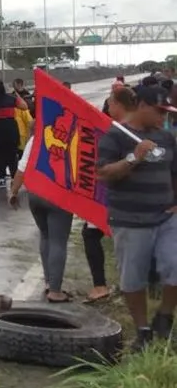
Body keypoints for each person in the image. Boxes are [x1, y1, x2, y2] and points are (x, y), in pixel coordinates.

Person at [95, 85, 177, 350]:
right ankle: (142, 331)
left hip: (166, 218)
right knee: (133, 278)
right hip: (130, 221)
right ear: (141, 105)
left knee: (174, 266)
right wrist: (134, 157)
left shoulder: (166, 137)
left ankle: (165, 315)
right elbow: (104, 174)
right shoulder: (115, 136)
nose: (163, 117)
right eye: (158, 111)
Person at [83, 87, 140, 303]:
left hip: (114, 194)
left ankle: (103, 286)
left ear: (117, 105)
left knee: (96, 236)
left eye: (110, 102)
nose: (108, 106)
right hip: (126, 196)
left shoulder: (119, 132)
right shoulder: (138, 129)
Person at [9, 123, 73, 302]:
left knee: (45, 236)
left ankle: (48, 281)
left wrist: (13, 192)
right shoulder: (72, 136)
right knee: (58, 241)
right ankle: (55, 290)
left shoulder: (36, 138)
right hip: (59, 195)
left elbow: (22, 168)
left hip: (36, 194)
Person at [0, 79, 27, 187]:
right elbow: (25, 106)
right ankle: (14, 178)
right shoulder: (11, 99)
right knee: (13, 155)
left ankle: (1, 179)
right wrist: (16, 94)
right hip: (11, 128)